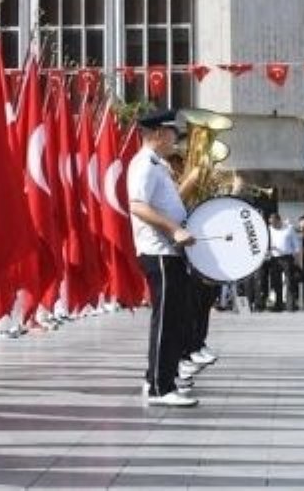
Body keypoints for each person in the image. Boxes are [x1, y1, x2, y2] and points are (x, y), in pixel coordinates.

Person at [126, 108, 200, 407]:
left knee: (174, 319)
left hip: (170, 251)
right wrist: (174, 230)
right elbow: (137, 206)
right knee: (166, 320)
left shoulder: (159, 165)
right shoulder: (144, 164)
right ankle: (160, 387)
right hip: (159, 251)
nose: (175, 140)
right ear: (158, 133)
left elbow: (170, 203)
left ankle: (158, 377)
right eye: (173, 133)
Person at [265, 214, 299, 311]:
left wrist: (297, 259)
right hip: (274, 258)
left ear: (279, 220)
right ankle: (278, 305)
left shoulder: (289, 228)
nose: (272, 225)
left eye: (274, 222)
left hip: (287, 258)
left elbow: (296, 245)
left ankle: (290, 305)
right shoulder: (269, 229)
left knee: (289, 282)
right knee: (276, 283)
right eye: (271, 223)